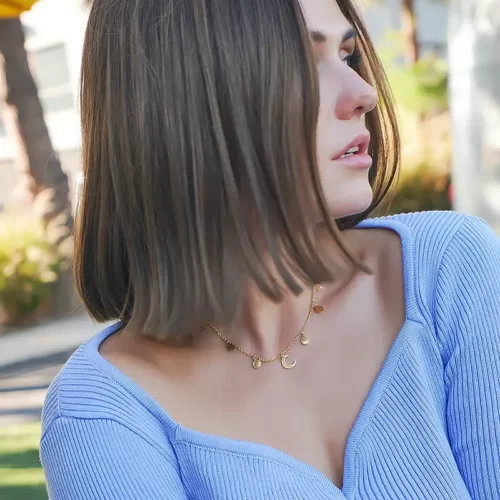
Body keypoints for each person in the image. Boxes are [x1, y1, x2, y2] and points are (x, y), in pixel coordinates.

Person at [40, 0, 500, 498]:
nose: (363, 92)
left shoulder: (452, 270)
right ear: (186, 100)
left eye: (346, 55)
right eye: (303, 63)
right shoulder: (104, 411)